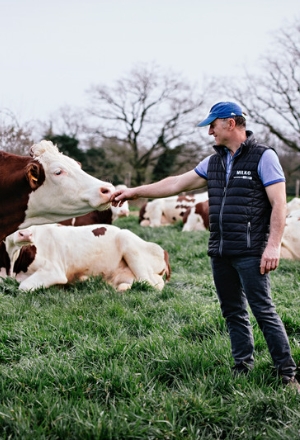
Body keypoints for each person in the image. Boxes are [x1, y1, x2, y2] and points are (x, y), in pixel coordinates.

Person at [111, 101, 299, 390]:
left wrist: (273, 246)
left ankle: (287, 374)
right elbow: (175, 184)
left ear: (230, 124)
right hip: (220, 250)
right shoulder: (214, 161)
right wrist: (134, 192)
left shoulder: (264, 157)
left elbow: (279, 204)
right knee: (232, 311)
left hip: (251, 251)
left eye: (213, 124)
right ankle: (242, 366)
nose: (210, 131)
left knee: (263, 311)